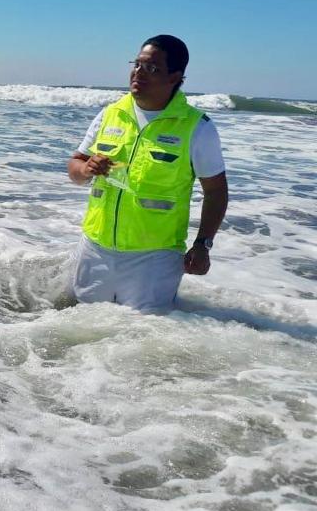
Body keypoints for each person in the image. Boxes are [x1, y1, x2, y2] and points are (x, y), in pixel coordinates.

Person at [67, 34, 229, 313]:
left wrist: (203, 244)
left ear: (175, 77)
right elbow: (75, 167)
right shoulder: (110, 114)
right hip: (95, 248)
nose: (139, 73)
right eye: (137, 65)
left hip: (154, 257)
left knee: (142, 335)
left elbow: (216, 192)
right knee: (80, 327)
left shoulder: (196, 127)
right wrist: (85, 168)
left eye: (152, 68)